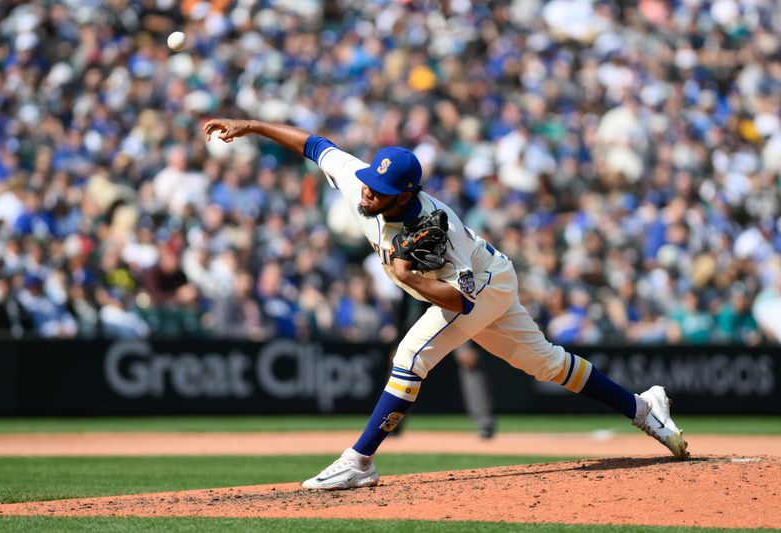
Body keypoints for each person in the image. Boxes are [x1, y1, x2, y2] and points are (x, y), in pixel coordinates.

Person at [202, 118, 690, 490]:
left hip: (484, 284)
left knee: (413, 356)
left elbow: (458, 300)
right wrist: (252, 126)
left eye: (384, 190)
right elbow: (314, 145)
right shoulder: (361, 182)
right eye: (372, 180)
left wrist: (404, 273)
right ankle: (644, 407)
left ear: (407, 195)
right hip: (489, 280)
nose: (370, 191)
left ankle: (359, 462)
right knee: (548, 364)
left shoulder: (443, 228)